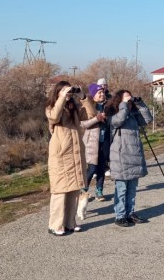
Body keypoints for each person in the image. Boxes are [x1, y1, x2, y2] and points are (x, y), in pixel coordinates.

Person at [45, 81, 87, 236]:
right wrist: (62, 97)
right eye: (63, 90)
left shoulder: (74, 109)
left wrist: (82, 97)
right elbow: (54, 117)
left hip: (75, 154)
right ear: (57, 92)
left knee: (74, 190)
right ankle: (55, 225)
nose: (68, 93)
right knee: (60, 191)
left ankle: (70, 222)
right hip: (61, 156)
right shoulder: (51, 108)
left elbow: (91, 113)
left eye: (69, 91)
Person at [106, 90, 153, 227]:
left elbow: (147, 119)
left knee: (132, 189)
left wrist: (140, 103)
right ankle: (120, 215)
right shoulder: (113, 115)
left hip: (134, 155)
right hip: (120, 157)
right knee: (121, 189)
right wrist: (124, 104)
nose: (129, 101)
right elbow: (119, 120)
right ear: (119, 101)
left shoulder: (133, 115)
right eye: (126, 98)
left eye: (130, 98)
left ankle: (130, 213)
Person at [80, 83, 110, 201]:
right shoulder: (87, 107)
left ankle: (99, 191)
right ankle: (83, 191)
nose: (102, 94)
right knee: (92, 168)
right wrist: (96, 119)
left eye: (103, 92)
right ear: (93, 96)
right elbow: (82, 124)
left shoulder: (108, 106)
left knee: (102, 168)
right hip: (92, 142)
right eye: (99, 93)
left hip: (105, 141)